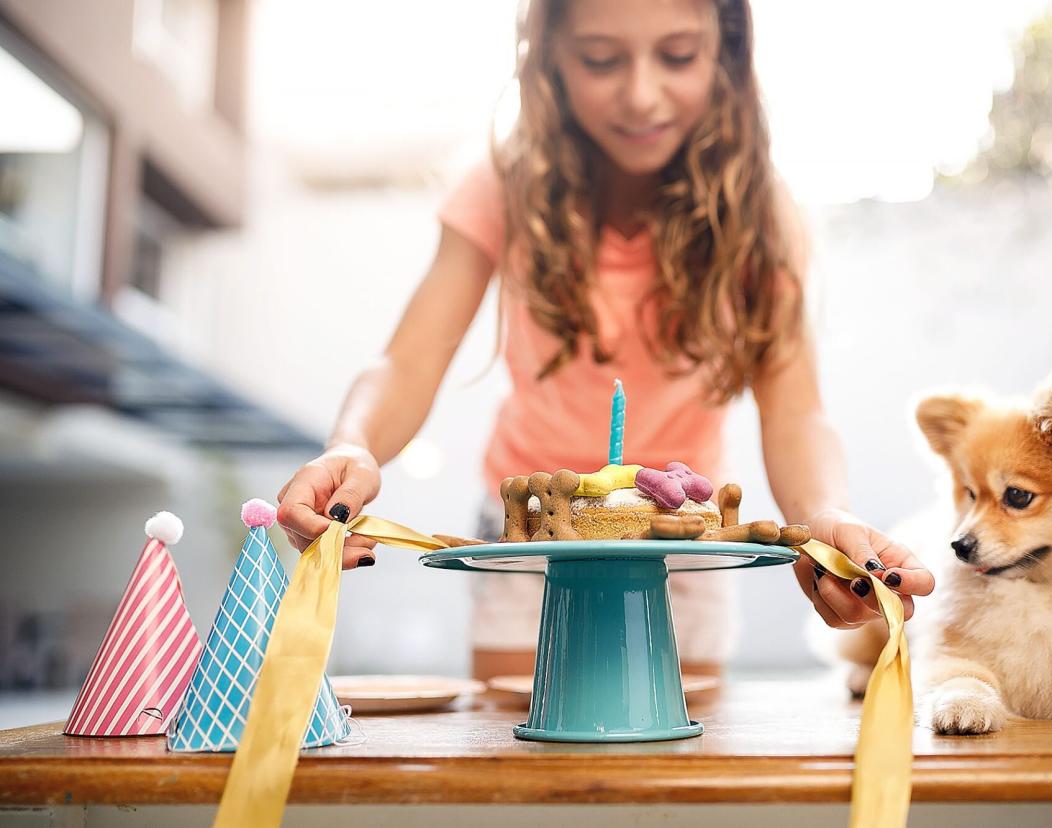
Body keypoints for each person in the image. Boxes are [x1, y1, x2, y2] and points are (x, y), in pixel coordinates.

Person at [276, 0, 934, 681]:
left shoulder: (760, 212)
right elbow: (408, 361)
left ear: (726, 52)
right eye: (600, 59)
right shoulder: (505, 186)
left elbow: (796, 409)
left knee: (670, 762)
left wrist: (824, 514)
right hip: (529, 538)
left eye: (677, 55)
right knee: (521, 747)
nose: (642, 94)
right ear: (550, 55)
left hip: (684, 547)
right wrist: (351, 446)